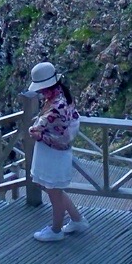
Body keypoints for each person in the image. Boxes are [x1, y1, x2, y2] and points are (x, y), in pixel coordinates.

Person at [27, 62, 89, 243]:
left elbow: (42, 128)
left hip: (53, 154)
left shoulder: (56, 107)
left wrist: (37, 133)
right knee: (55, 190)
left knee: (54, 193)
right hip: (56, 153)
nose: (40, 93)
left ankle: (56, 230)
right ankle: (77, 220)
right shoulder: (62, 95)